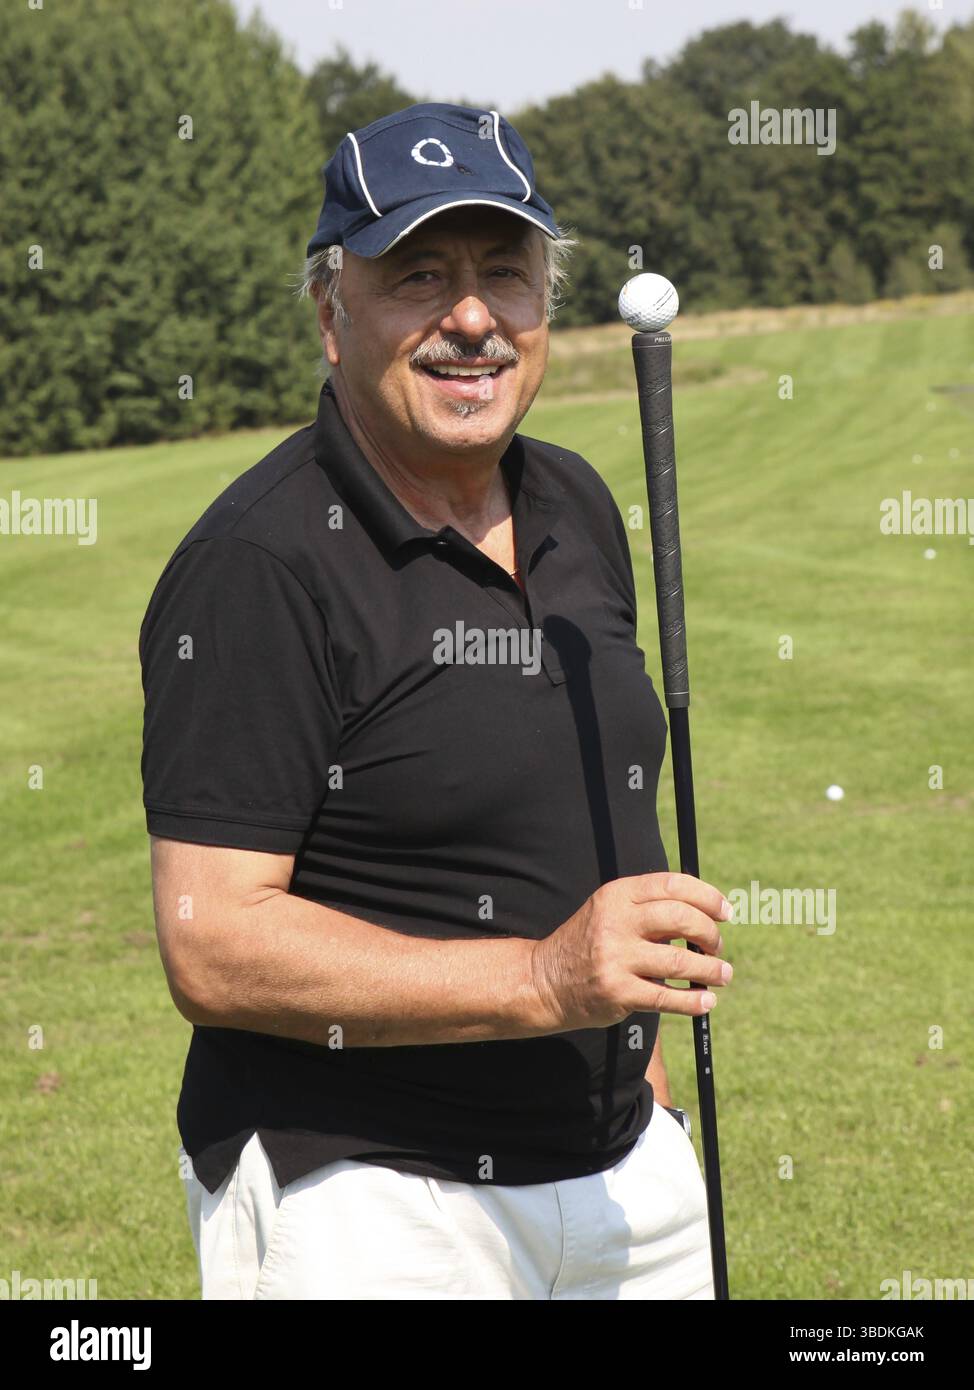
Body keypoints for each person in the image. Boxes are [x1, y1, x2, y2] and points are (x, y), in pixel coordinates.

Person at [140, 102, 734, 1300]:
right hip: (372, 1202)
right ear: (329, 313)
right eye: (417, 275)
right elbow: (213, 945)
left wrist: (642, 1078)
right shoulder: (257, 566)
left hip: (623, 1179)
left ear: (543, 305)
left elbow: (601, 815)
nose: (470, 317)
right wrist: (545, 982)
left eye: (502, 273)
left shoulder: (570, 500)